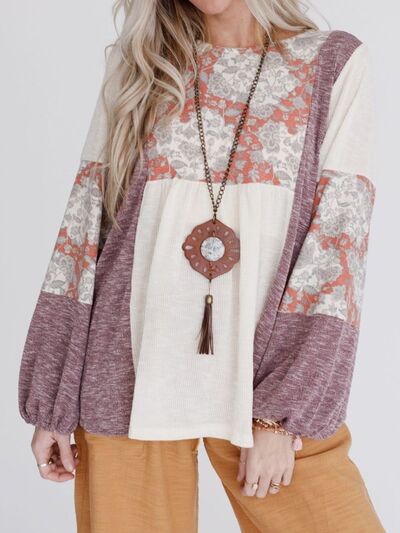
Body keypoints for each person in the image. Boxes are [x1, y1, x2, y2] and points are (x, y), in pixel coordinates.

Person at [18, 0, 385, 531]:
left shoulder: (332, 63)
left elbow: (335, 253)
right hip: (125, 378)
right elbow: (83, 230)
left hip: (266, 379)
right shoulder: (141, 66)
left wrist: (279, 417)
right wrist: (53, 399)